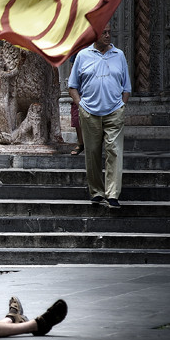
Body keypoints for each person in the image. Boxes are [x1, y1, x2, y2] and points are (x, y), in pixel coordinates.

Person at [67, 23, 131, 208]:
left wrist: (122, 105)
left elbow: (126, 86)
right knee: (92, 152)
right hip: (90, 113)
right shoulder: (82, 55)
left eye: (110, 32)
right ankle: (96, 192)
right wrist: (81, 106)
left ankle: (112, 194)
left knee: (115, 152)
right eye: (103, 33)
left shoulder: (119, 55)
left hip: (114, 112)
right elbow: (72, 85)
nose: (108, 36)